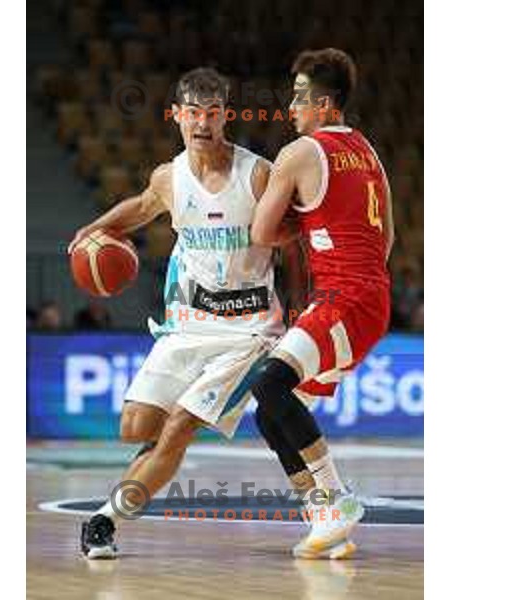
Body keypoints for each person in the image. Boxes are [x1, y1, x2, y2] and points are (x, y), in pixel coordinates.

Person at [68, 67, 300, 559]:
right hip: (188, 326)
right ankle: (153, 464)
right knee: (137, 427)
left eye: (212, 113)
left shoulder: (256, 174)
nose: (202, 123)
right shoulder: (169, 177)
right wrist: (96, 227)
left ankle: (104, 522)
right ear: (176, 116)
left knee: (178, 429)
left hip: (248, 333)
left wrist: (300, 306)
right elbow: (142, 206)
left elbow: (294, 240)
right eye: (193, 113)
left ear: (225, 116)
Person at [249, 48, 395, 559]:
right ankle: (324, 521)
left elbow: (261, 231)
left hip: (342, 298)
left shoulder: (300, 152)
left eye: (299, 97)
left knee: (269, 384)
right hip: (372, 298)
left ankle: (335, 499)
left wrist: (303, 227)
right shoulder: (368, 151)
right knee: (269, 409)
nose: (291, 107)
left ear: (325, 103)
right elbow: (388, 237)